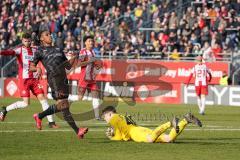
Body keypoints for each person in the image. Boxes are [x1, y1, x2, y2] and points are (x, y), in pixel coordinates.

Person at [30, 30, 88, 139]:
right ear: (41, 39)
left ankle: (39, 116)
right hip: (54, 79)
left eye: (50, 34)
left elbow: (68, 66)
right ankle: (78, 131)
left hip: (63, 79)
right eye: (46, 35)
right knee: (64, 105)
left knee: (62, 105)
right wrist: (37, 68)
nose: (50, 36)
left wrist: (74, 57)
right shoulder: (39, 51)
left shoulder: (58, 49)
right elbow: (31, 66)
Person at [0, 32, 58, 128]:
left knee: (43, 99)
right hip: (24, 80)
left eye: (29, 41)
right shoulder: (19, 50)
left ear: (31, 41)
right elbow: (9, 52)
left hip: (34, 79)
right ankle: (5, 109)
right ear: (22, 41)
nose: (27, 42)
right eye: (25, 41)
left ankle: (51, 123)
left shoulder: (35, 49)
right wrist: (1, 52)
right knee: (26, 103)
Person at [102, 106, 202, 143]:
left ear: (110, 113)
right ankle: (186, 119)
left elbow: (120, 138)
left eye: (105, 116)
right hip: (140, 129)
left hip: (135, 133)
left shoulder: (113, 119)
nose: (105, 119)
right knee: (168, 139)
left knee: (150, 140)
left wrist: (112, 137)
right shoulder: (123, 115)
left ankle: (170, 123)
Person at [69, 35, 102, 120]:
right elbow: (79, 64)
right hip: (84, 77)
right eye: (89, 41)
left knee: (96, 95)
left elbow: (94, 63)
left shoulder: (93, 52)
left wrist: (97, 65)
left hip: (92, 78)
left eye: (92, 41)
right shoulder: (83, 52)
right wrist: (89, 61)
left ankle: (97, 116)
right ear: (85, 43)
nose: (91, 42)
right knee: (80, 98)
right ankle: (64, 101)